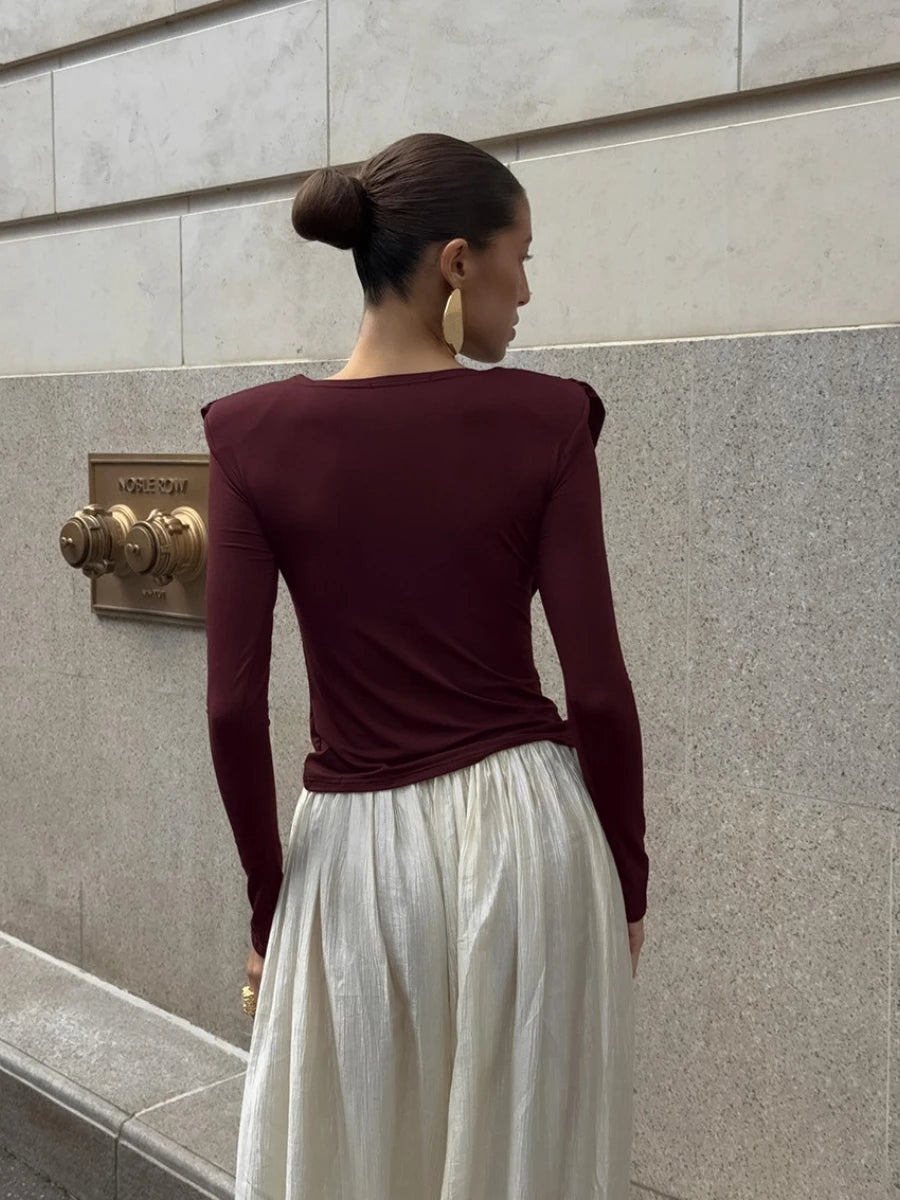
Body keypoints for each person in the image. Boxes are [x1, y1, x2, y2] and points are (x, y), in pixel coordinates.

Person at [200, 131, 648, 1200]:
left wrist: (270, 908)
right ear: (457, 262)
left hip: (354, 858)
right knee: (521, 1159)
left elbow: (231, 709)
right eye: (520, 255)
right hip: (530, 848)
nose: (527, 290)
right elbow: (596, 690)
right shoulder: (545, 420)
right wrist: (626, 880)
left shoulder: (253, 437)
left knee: (355, 1157)